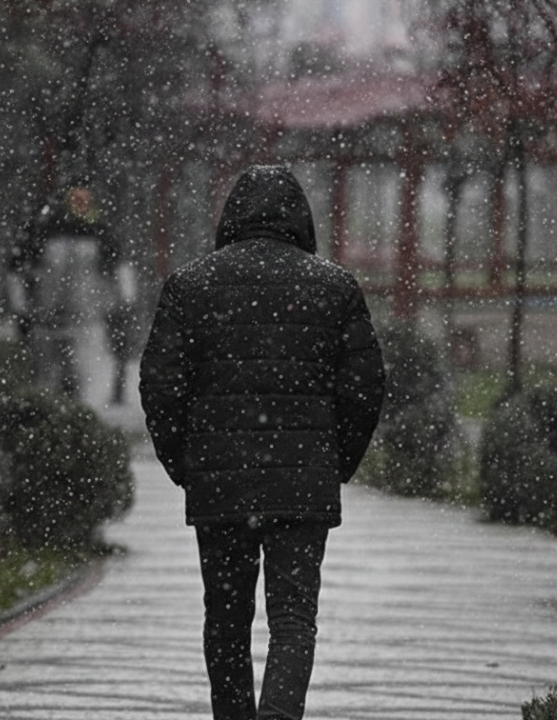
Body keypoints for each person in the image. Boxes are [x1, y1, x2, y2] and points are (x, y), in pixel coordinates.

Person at [139, 165, 385, 720]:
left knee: (225, 619)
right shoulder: (334, 288)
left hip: (220, 485)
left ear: (231, 218)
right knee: (293, 619)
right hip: (302, 486)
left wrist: (188, 464)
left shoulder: (190, 286)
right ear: (301, 218)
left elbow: (160, 385)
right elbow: (365, 388)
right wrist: (332, 462)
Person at [6, 186, 125, 399]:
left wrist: (122, 306)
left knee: (83, 382)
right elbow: (17, 273)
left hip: (86, 322)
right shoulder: (39, 233)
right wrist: (21, 311)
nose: (80, 205)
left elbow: (118, 271)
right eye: (75, 200)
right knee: (46, 385)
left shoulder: (100, 234)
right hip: (45, 322)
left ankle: (74, 418)